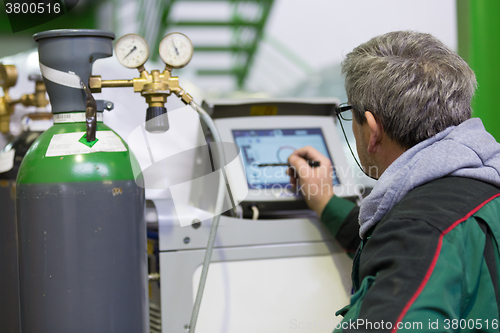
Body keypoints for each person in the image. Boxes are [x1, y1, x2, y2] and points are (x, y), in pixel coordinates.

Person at [288, 31, 500, 332]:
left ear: (372, 129)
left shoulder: (417, 231)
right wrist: (325, 201)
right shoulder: (484, 189)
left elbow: (413, 251)